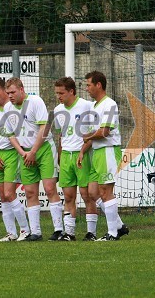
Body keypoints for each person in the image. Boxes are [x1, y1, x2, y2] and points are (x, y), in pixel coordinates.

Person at [4, 77, 63, 241]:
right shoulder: (8, 108)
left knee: (50, 188)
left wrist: (33, 152)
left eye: (13, 92)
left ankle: (59, 229)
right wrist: (24, 154)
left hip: (43, 150)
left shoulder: (36, 101)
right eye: (8, 93)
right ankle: (35, 232)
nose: (10, 96)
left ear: (22, 89)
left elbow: (45, 127)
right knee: (30, 192)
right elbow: (10, 135)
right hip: (25, 154)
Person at [80, 71, 129, 241]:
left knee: (106, 192)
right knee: (93, 192)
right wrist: (83, 150)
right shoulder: (94, 106)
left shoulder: (109, 104)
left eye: (88, 85)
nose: (87, 88)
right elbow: (94, 133)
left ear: (98, 85)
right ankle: (120, 226)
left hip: (108, 151)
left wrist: (88, 137)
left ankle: (112, 234)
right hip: (97, 152)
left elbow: (104, 132)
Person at [53, 77, 98, 241]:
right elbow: (61, 135)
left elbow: (94, 134)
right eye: (57, 93)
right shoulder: (58, 110)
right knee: (69, 196)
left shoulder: (87, 106)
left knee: (87, 195)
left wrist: (83, 150)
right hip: (66, 156)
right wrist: (60, 155)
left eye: (62, 93)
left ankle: (91, 232)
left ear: (71, 91)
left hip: (83, 155)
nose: (59, 96)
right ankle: (69, 233)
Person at [0, 79, 30, 242]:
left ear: (5, 91)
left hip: (12, 153)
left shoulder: (12, 109)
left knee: (9, 193)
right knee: (3, 196)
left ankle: (25, 230)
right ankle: (11, 232)